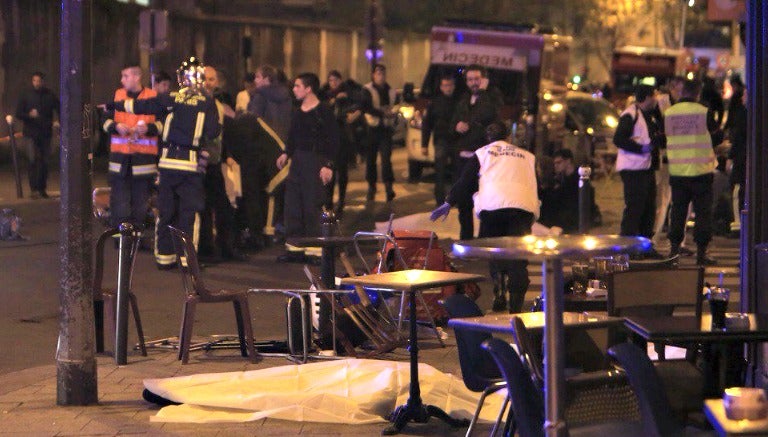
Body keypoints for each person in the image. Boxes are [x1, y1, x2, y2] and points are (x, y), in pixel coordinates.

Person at [105, 57, 221, 270]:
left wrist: (113, 106)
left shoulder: (171, 98)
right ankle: (187, 261)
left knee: (166, 210)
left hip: (168, 164)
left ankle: (164, 258)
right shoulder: (207, 102)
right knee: (188, 212)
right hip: (189, 164)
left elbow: (141, 106)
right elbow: (213, 132)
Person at [431, 121, 538, 313]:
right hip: (522, 208)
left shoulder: (482, 153)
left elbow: (466, 181)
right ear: (508, 137)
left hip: (493, 207)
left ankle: (499, 286)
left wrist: (449, 201)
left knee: (495, 250)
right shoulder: (527, 156)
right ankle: (516, 306)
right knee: (518, 257)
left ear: (488, 139)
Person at [275, 73, 339, 263]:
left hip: (315, 160)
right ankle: (294, 248)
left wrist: (328, 165)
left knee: (312, 204)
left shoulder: (324, 112)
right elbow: (292, 136)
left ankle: (315, 250)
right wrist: (286, 153)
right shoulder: (297, 111)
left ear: (308, 88)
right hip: (298, 162)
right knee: (293, 204)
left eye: (297, 86)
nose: (294, 89)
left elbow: (333, 140)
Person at [664, 80, 720, 265]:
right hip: (701, 172)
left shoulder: (669, 113)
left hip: (678, 171)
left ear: (681, 93)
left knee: (678, 212)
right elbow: (716, 137)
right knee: (703, 213)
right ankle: (701, 254)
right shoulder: (704, 112)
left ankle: (673, 251)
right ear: (697, 93)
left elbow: (665, 139)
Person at [101, 65, 161, 230]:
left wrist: (148, 129)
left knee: (139, 205)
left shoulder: (152, 96)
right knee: (119, 204)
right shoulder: (117, 95)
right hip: (120, 162)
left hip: (143, 162)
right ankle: (119, 239)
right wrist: (116, 126)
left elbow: (163, 125)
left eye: (125, 76)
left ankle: (136, 239)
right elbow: (104, 122)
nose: (122, 80)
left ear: (137, 77)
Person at [197, 66, 245, 262]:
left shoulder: (217, 104)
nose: (208, 83)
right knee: (204, 208)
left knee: (223, 206)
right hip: (199, 163)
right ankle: (207, 249)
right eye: (205, 79)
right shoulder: (196, 103)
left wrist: (226, 156)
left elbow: (219, 136)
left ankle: (224, 247)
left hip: (214, 162)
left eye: (212, 79)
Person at [451, 64, 502, 239]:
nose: (474, 83)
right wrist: (456, 126)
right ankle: (466, 239)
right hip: (463, 158)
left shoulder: (491, 97)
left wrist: (483, 92)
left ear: (484, 80)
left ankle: (483, 239)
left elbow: (488, 114)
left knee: (484, 201)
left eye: (477, 79)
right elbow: (452, 123)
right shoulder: (463, 100)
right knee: (464, 203)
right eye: (470, 80)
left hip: (482, 158)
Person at [613, 84, 664, 244]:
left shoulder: (647, 115)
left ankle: (644, 245)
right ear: (648, 97)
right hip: (633, 169)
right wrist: (640, 148)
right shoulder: (630, 115)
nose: (656, 99)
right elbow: (619, 139)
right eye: (654, 96)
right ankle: (628, 245)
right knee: (635, 208)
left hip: (646, 168)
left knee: (648, 208)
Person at [15, 71, 59, 199]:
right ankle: (34, 188)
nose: (36, 83)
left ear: (43, 82)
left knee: (44, 161)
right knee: (33, 160)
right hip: (31, 133)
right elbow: (18, 113)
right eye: (34, 81)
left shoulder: (49, 95)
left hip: (45, 133)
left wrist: (58, 122)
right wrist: (29, 115)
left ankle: (42, 188)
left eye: (39, 81)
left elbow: (59, 107)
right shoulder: (26, 95)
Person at [320, 70, 357, 216]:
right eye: (331, 80)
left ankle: (341, 200)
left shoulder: (348, 94)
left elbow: (354, 108)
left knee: (342, 171)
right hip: (329, 138)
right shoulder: (325, 95)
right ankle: (328, 201)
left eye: (336, 80)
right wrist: (334, 101)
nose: (333, 83)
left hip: (343, 138)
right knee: (330, 170)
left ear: (340, 81)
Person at [539, 149, 599, 233]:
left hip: (574, 217)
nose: (556, 166)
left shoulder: (578, 179)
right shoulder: (562, 177)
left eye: (559, 163)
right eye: (555, 163)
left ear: (568, 161)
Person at [421, 73, 460, 205]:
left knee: (457, 170)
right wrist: (424, 144)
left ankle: (455, 198)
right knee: (440, 171)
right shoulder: (435, 103)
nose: (447, 88)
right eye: (445, 85)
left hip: (457, 140)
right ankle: (439, 199)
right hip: (441, 140)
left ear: (454, 86)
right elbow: (427, 124)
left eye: (450, 85)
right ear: (441, 87)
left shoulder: (460, 102)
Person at [362, 63, 398, 201]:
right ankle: (372, 187)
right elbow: (366, 107)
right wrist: (383, 113)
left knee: (386, 160)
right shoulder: (367, 89)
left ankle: (389, 188)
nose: (381, 76)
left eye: (383, 73)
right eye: (378, 73)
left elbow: (395, 105)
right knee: (371, 160)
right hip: (372, 129)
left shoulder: (391, 90)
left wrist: (393, 114)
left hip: (386, 129)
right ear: (373, 75)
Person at [725, 75, 746, 233]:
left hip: (741, 157)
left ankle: (738, 225)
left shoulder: (742, 114)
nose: (743, 98)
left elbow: (738, 137)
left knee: (738, 191)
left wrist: (730, 156)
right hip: (745, 156)